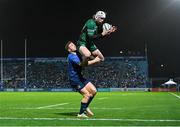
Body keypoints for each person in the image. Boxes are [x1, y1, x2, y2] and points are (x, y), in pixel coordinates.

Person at [65, 41, 101, 118]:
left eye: (73, 44)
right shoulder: (71, 56)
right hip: (74, 79)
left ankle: (85, 106)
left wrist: (93, 57)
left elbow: (85, 59)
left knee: (94, 91)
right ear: (69, 50)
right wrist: (95, 60)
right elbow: (82, 64)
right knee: (87, 95)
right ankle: (81, 113)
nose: (73, 45)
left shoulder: (77, 54)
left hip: (80, 77)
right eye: (71, 45)